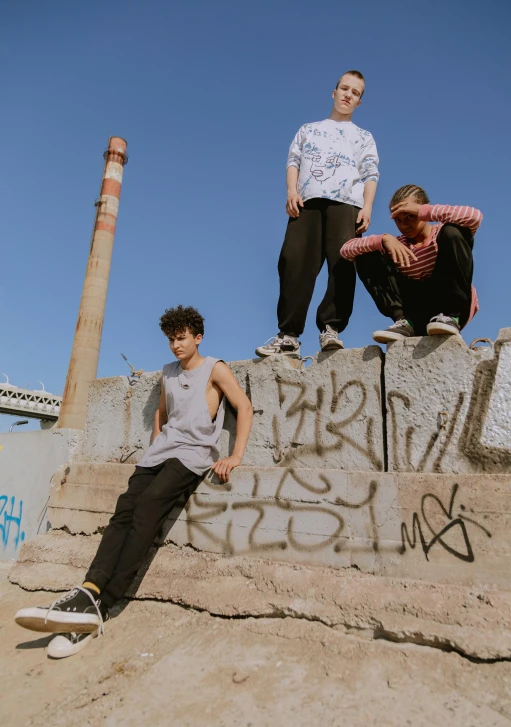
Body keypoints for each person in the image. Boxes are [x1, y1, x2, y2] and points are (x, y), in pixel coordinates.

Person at [15, 305, 253, 658]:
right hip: (159, 454)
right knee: (123, 511)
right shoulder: (167, 373)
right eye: (171, 339)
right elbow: (161, 411)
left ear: (198, 337)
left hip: (192, 456)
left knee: (147, 509)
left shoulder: (215, 368)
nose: (175, 345)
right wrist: (156, 442)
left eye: (182, 338)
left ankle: (105, 605)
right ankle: (89, 591)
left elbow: (243, 407)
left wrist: (234, 456)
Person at [255, 70, 379, 358]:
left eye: (356, 92)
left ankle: (330, 329)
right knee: (293, 261)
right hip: (307, 202)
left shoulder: (363, 137)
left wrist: (368, 206)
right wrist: (291, 191)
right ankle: (288, 336)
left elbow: (371, 173)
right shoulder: (308, 129)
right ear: (334, 93)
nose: (348, 95)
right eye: (344, 89)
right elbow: (293, 161)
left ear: (359, 102)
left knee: (342, 264)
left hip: (346, 203)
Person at [340, 184, 483, 344]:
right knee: (367, 254)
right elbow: (346, 250)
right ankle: (403, 322)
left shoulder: (440, 234)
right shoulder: (397, 245)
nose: (404, 225)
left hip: (449, 308)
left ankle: (452, 316)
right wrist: (384, 239)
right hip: (416, 313)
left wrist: (424, 211)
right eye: (398, 220)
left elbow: (475, 216)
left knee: (453, 231)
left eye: (410, 216)